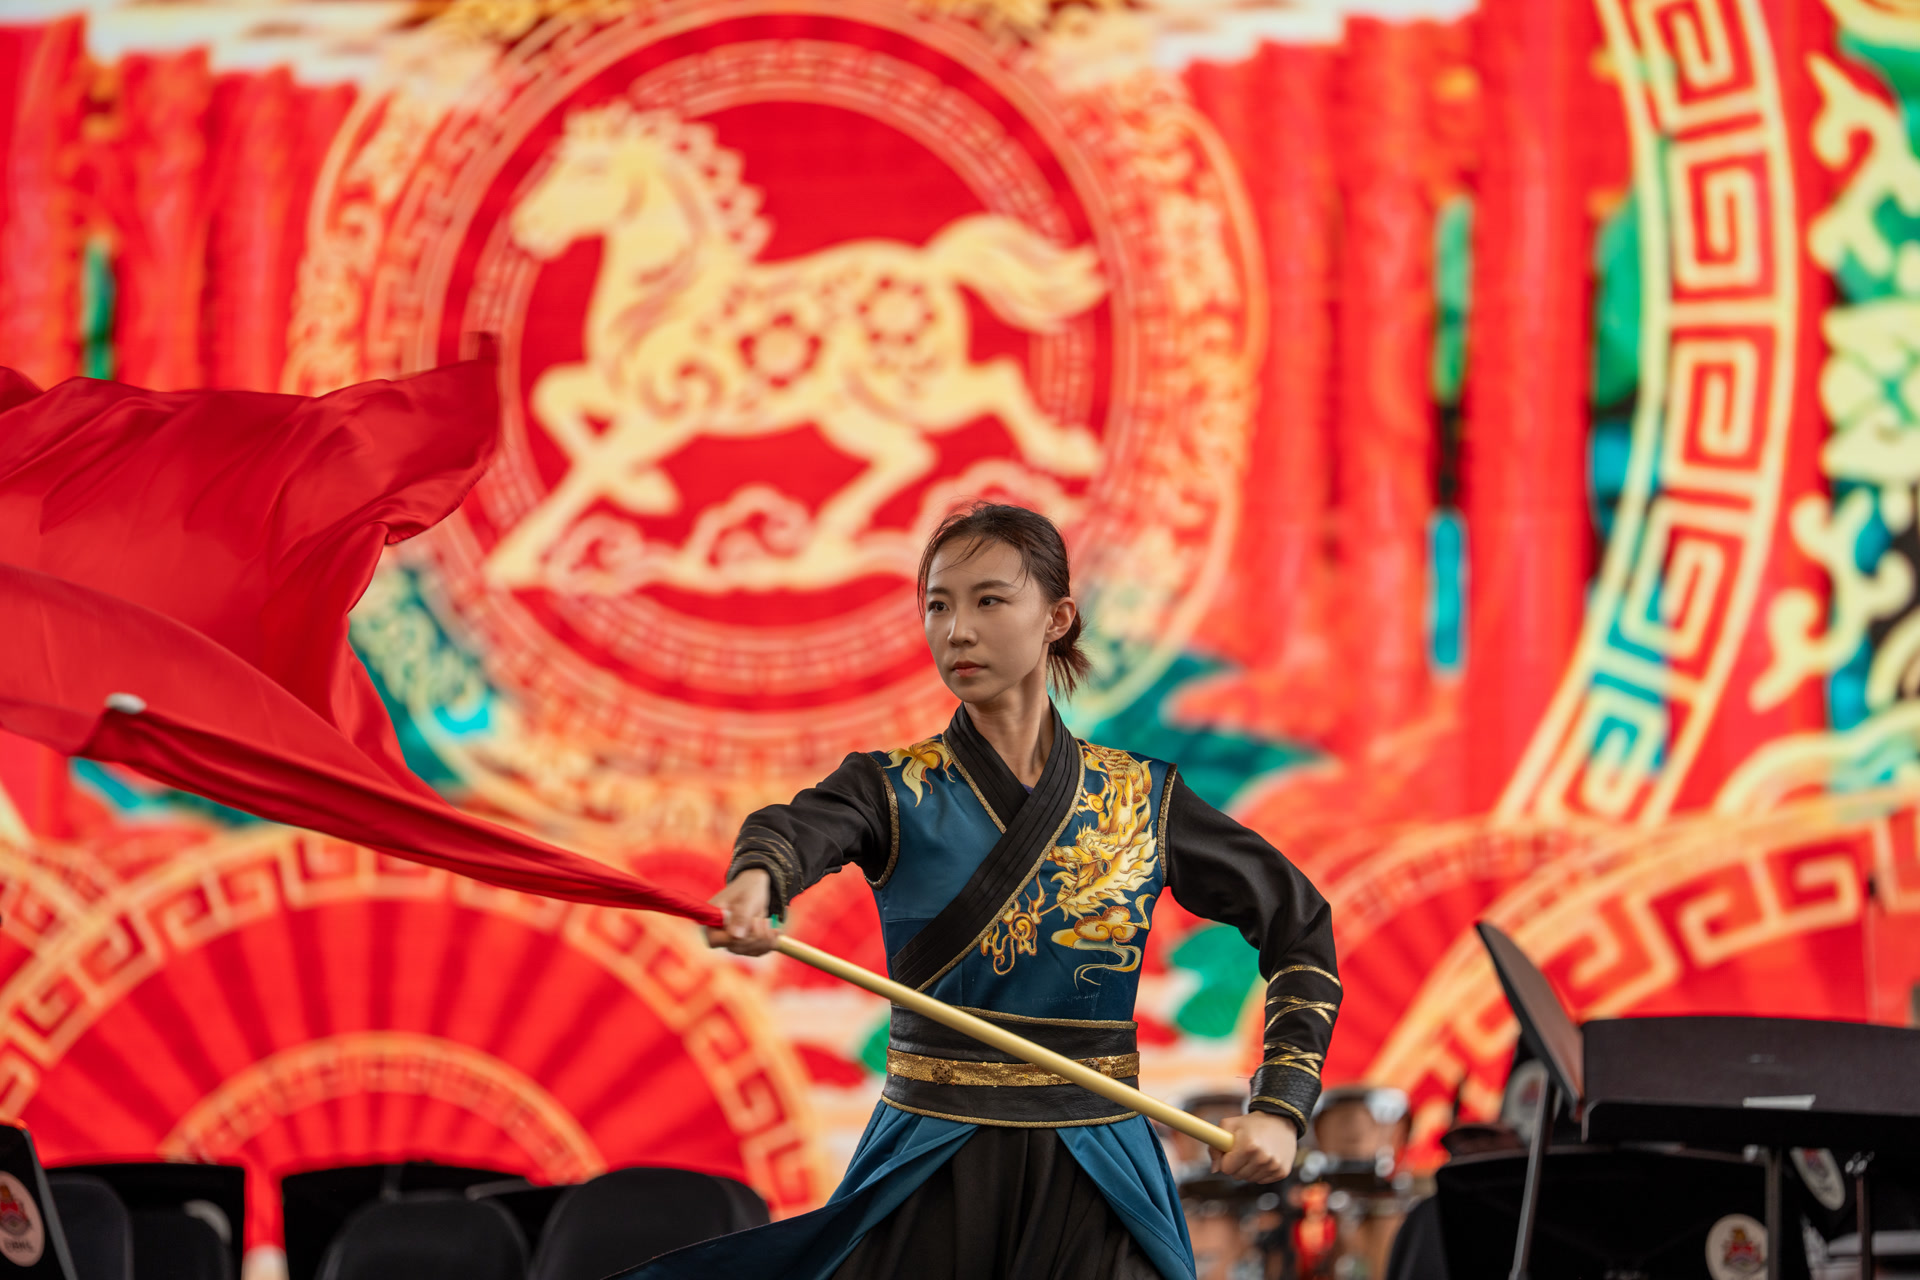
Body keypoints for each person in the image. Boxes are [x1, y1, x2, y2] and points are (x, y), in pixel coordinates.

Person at [621, 503, 1341, 1280]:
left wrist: (1280, 1106)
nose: (957, 631)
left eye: (989, 600)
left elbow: (1299, 925)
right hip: (933, 1157)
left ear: (1057, 618)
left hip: (1099, 1164)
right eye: (938, 605)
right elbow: (794, 830)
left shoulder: (1140, 799)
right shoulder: (889, 789)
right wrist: (758, 878)